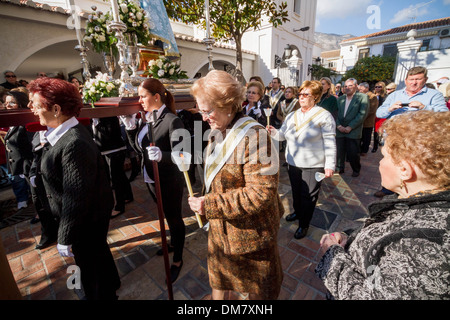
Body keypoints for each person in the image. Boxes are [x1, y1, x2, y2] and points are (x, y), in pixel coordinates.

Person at [316, 110, 450, 300]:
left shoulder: (424, 247)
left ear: (405, 170)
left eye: (384, 156)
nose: (380, 162)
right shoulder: (419, 201)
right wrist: (349, 237)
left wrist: (332, 255)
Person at [188, 70, 284, 300]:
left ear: (229, 105)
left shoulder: (256, 136)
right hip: (222, 232)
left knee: (256, 292)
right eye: (201, 111)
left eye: (208, 111)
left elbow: (260, 193)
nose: (204, 118)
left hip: (251, 237)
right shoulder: (217, 129)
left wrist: (208, 205)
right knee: (221, 280)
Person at [27, 77, 120, 300]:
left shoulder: (74, 142)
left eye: (36, 105)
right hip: (88, 215)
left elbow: (75, 196)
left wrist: (65, 236)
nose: (31, 109)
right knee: (98, 253)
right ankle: (111, 283)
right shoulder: (60, 134)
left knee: (88, 265)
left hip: (85, 219)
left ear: (56, 109)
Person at [121, 78, 186, 283]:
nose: (140, 101)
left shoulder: (172, 120)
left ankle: (177, 258)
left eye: (143, 96)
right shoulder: (146, 118)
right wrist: (131, 127)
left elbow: (185, 155)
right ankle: (173, 242)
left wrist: (163, 155)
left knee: (174, 217)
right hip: (150, 177)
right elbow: (138, 148)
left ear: (156, 97)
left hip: (169, 179)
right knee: (164, 213)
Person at [268, 80, 336, 240]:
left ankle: (304, 224)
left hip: (314, 164)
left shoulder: (324, 115)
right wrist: (273, 132)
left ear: (316, 97)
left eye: (306, 94)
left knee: (309, 196)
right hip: (293, 162)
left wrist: (330, 165)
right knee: (297, 192)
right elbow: (282, 135)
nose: (301, 97)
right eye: (300, 94)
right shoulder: (293, 115)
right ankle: (298, 213)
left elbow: (330, 141)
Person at [92, 116, 134, 218]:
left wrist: (98, 123)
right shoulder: (99, 117)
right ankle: (128, 196)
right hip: (108, 150)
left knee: (116, 178)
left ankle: (120, 206)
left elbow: (111, 132)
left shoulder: (108, 115)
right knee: (120, 175)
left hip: (115, 150)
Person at [376, 66, 448, 119]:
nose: (414, 82)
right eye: (411, 79)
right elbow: (379, 113)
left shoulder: (435, 95)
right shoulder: (395, 95)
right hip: (394, 136)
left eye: (418, 79)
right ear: (405, 80)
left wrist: (423, 107)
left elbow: (444, 114)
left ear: (425, 80)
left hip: (420, 137)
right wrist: (390, 109)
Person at [3, 91, 33, 210]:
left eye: (12, 102)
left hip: (27, 166)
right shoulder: (12, 122)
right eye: (6, 103)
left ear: (21, 104)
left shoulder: (25, 122)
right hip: (18, 166)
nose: (8, 105)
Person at [335, 78, 369, 177]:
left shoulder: (362, 97)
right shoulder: (340, 99)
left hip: (353, 131)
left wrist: (350, 127)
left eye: (350, 85)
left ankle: (356, 169)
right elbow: (336, 114)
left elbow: (362, 114)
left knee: (353, 152)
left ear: (356, 86)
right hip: (340, 130)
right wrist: (338, 125)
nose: (347, 88)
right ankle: (339, 168)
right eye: (345, 86)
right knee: (339, 151)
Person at [358, 82, 378, 156]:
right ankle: (359, 149)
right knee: (360, 137)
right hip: (360, 121)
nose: (360, 89)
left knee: (366, 137)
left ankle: (364, 151)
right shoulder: (359, 95)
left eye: (361, 88)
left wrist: (362, 115)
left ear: (366, 88)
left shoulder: (372, 97)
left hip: (368, 121)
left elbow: (372, 109)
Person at [371, 81, 388, 154]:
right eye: (376, 86)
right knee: (373, 131)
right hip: (372, 115)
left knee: (378, 131)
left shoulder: (384, 96)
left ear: (383, 87)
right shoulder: (372, 95)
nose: (377, 88)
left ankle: (377, 145)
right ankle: (375, 146)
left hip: (380, 115)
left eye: (379, 87)